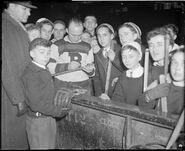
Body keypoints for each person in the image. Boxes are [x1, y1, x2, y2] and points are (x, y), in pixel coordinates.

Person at [20, 38, 71, 149]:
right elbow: (36, 104)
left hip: (48, 118)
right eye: (42, 52)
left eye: (48, 52)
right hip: (38, 121)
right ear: (32, 53)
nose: (46, 56)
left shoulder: (43, 69)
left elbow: (47, 92)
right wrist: (58, 111)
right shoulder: (31, 74)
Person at [2, 1, 37, 149]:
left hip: (19, 92)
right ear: (11, 5)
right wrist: (19, 99)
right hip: (13, 98)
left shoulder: (14, 24)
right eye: (24, 8)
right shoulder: (7, 27)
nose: (29, 13)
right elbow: (7, 65)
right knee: (12, 140)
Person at [47, 17, 95, 95]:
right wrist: (67, 66)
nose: (76, 38)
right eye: (73, 35)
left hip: (83, 85)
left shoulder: (87, 47)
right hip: (62, 85)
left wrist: (90, 71)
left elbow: (93, 72)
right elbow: (49, 67)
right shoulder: (57, 45)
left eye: (79, 35)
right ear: (67, 31)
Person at [137, 27, 174, 111]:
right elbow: (141, 104)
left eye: (159, 44)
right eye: (151, 45)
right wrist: (151, 95)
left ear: (170, 48)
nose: (154, 49)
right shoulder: (149, 72)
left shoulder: (178, 71)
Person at [138, 47, 184, 115]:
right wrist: (150, 95)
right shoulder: (161, 83)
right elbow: (141, 105)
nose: (177, 68)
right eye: (174, 62)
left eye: (183, 63)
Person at [93, 23, 124, 100]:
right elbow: (96, 77)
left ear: (112, 36)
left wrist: (114, 59)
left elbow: (127, 69)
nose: (101, 38)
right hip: (104, 95)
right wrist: (99, 94)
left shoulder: (121, 51)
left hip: (118, 95)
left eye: (105, 35)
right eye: (99, 35)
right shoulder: (97, 54)